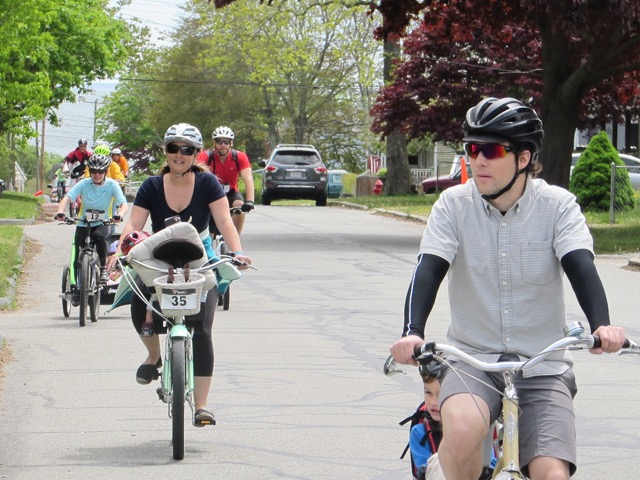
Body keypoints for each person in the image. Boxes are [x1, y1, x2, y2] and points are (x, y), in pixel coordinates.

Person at [389, 97, 626, 480]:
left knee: (552, 474)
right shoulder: (453, 205)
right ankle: (444, 465)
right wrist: (411, 332)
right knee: (464, 432)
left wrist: (603, 325)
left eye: (493, 149)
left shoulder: (557, 206)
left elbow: (581, 265)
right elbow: (428, 269)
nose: (478, 159)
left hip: (542, 364)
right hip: (472, 359)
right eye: (472, 149)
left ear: (524, 158)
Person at [106, 123, 252, 426]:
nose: (179, 154)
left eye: (187, 149)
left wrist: (237, 253)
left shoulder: (208, 183)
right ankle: (153, 356)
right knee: (137, 301)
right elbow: (134, 224)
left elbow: (224, 221)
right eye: (174, 147)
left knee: (203, 329)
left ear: (196, 154)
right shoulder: (151, 185)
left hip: (200, 261)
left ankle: (201, 406)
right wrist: (117, 252)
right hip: (159, 260)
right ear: (166, 151)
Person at [55, 153, 128, 293]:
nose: (97, 175)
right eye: (94, 171)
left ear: (105, 171)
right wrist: (60, 212)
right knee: (78, 254)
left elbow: (123, 204)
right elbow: (68, 198)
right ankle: (76, 287)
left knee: (100, 237)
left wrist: (119, 215)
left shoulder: (112, 185)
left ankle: (102, 269)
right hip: (83, 222)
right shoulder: (84, 183)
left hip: (102, 222)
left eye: (100, 171)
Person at [196, 126, 255, 235]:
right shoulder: (205, 156)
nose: (223, 145)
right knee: (210, 232)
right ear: (214, 143)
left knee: (239, 206)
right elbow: (195, 175)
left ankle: (235, 240)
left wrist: (250, 201)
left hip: (230, 193)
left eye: (226, 142)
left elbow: (248, 178)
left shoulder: (239, 157)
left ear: (231, 143)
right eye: (220, 141)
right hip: (210, 194)